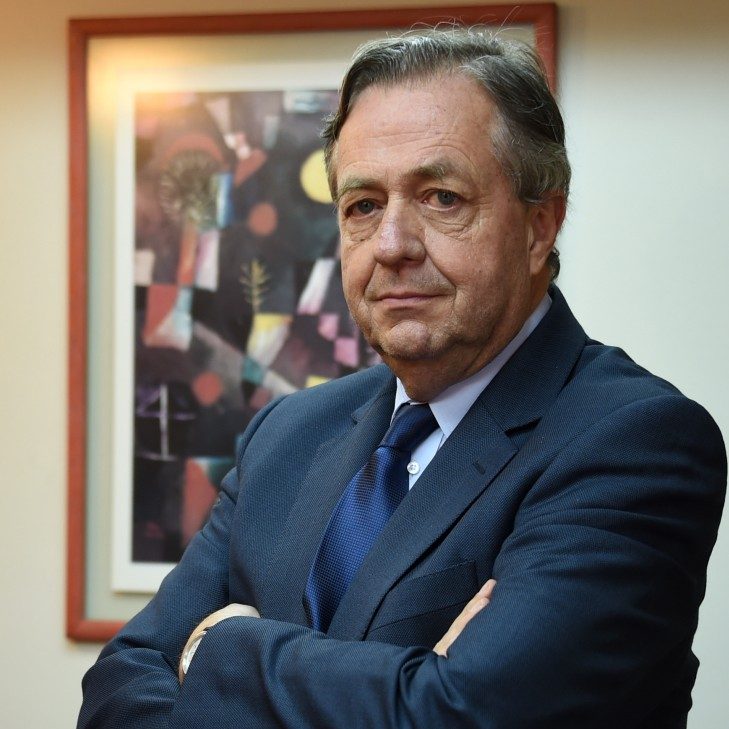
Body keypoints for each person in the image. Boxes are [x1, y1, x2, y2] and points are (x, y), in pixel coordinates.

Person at [78, 28, 726, 728]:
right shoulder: (286, 434)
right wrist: (409, 685)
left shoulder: (634, 441)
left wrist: (221, 648)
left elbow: (469, 716)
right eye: (362, 205)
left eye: (441, 197)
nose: (391, 245)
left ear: (540, 226)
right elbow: (117, 689)